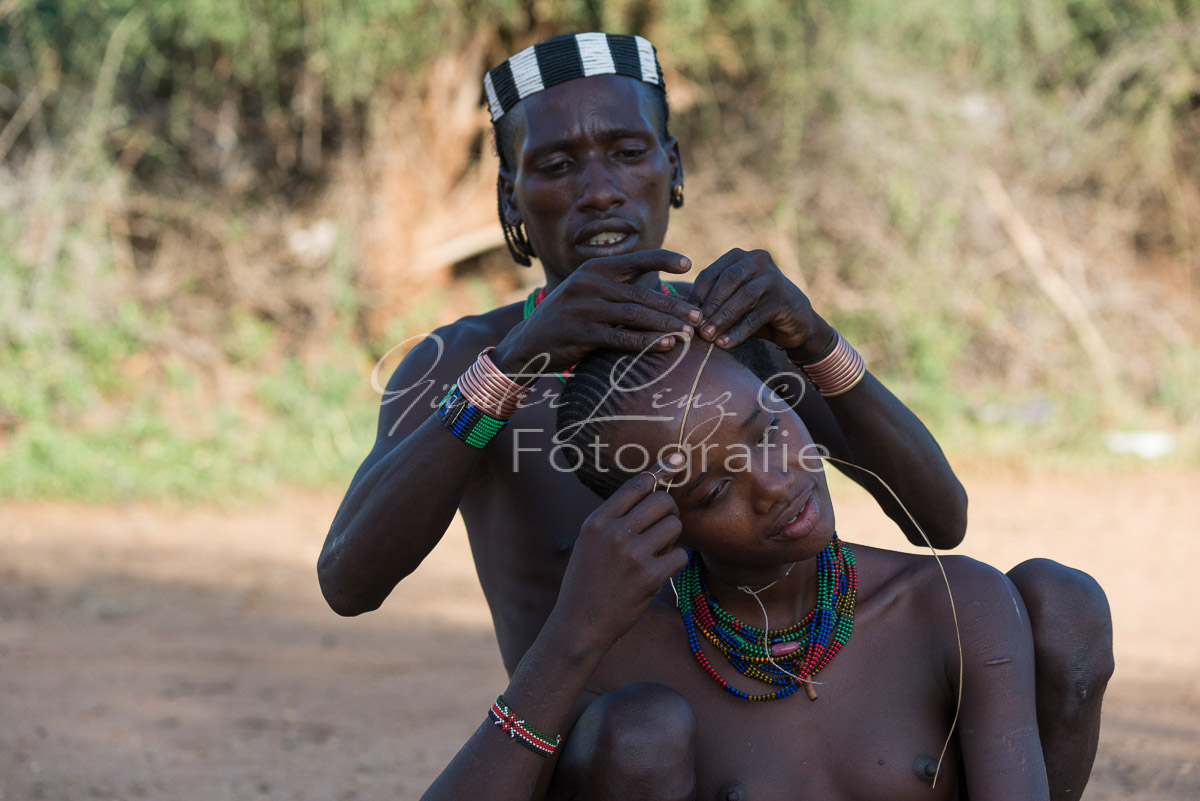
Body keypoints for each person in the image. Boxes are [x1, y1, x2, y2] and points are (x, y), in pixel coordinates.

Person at [317, 32, 1111, 799]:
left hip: (799, 717)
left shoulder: (737, 329)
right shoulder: (469, 361)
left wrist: (814, 338)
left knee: (1061, 606)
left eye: (628, 151)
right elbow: (350, 581)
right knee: (643, 730)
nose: (600, 189)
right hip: (613, 750)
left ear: (673, 164)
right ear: (509, 196)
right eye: (556, 165)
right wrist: (514, 365)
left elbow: (939, 519)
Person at [422, 340, 1052, 801]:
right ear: (657, 520)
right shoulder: (629, 659)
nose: (774, 484)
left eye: (769, 429)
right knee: (640, 729)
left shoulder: (953, 604)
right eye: (714, 490)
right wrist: (568, 638)